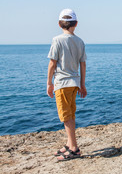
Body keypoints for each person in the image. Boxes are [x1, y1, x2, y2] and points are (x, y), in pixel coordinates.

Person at [47, 8, 87, 161]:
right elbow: (82, 65)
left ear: (59, 24)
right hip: (74, 83)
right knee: (70, 114)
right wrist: (82, 85)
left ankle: (74, 148)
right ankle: (70, 144)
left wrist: (49, 83)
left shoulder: (57, 40)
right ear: (76, 24)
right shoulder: (80, 41)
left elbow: (52, 63)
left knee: (66, 116)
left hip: (62, 83)